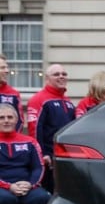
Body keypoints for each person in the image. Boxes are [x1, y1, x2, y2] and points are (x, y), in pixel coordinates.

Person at [0, 103, 50, 204]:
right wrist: (9, 187)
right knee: (6, 200)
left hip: (28, 186)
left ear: (17, 120)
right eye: (1, 118)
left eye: (10, 117)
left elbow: (39, 167)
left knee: (42, 198)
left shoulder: (29, 142)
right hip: (3, 188)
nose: (6, 120)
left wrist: (30, 184)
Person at [26, 64, 75, 194]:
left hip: (65, 156)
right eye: (56, 74)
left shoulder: (68, 101)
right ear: (47, 79)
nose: (61, 77)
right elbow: (35, 129)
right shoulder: (39, 99)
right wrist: (41, 154)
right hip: (47, 159)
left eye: (64, 74)